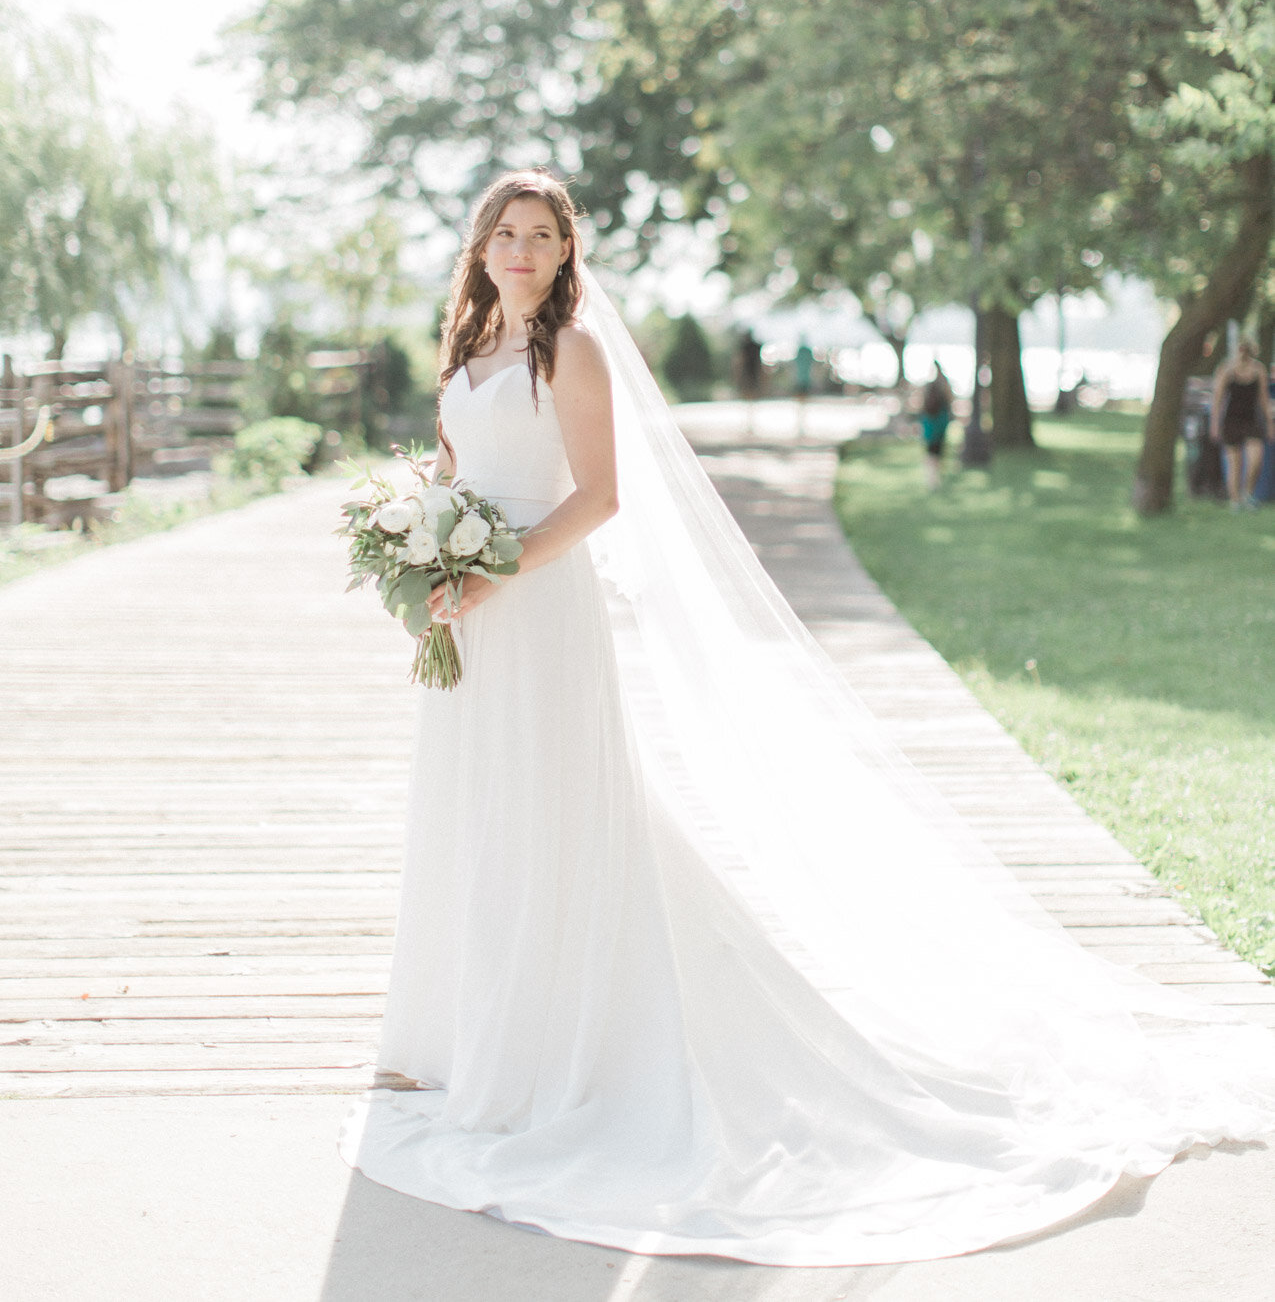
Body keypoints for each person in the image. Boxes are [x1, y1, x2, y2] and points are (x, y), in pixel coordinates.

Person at [340, 169, 1275, 1267]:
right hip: (473, 612)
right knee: (474, 810)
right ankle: (452, 1033)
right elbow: (454, 470)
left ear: (564, 252)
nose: (524, 250)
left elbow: (597, 496)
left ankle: (549, 1047)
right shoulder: (464, 349)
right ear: (482, 245)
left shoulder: (572, 352)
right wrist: (425, 564)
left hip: (538, 609)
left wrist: (493, 572)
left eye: (543, 235)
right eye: (507, 232)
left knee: (549, 808)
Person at [1211, 340, 1272, 510]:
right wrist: (1215, 424)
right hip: (1231, 421)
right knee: (1235, 463)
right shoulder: (1226, 369)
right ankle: (1235, 501)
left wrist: (1269, 424)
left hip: (1251, 420)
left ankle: (1248, 494)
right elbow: (1217, 399)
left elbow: (1264, 398)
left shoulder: (1258, 369)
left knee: (1256, 460)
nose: (1243, 352)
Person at [919, 364, 953, 491]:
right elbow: (950, 401)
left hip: (931, 422)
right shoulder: (944, 384)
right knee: (937, 450)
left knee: (931, 450)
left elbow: (921, 404)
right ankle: (935, 478)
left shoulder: (928, 386)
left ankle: (932, 478)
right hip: (939, 421)